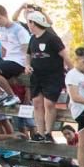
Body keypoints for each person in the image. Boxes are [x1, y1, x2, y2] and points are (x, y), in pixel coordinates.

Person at [23, 12, 71, 143]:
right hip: (37, 75)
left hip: (52, 76)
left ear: (33, 22)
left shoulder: (52, 38)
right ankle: (40, 132)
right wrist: (27, 65)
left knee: (49, 103)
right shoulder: (32, 38)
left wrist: (72, 70)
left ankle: (48, 132)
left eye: (29, 22)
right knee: (37, 103)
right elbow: (28, 54)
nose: (28, 25)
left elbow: (64, 55)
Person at [0, 5, 31, 107]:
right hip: (6, 59)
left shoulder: (19, 30)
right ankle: (0, 94)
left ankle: (12, 96)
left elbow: (26, 48)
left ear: (5, 15)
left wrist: (27, 64)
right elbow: (3, 47)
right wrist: (1, 59)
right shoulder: (0, 29)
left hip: (19, 61)